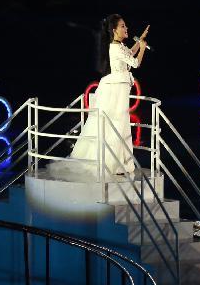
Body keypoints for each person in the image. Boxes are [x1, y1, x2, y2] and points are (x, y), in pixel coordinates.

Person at [51, 15, 148, 178]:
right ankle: (112, 162)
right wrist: (143, 48)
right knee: (116, 123)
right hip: (116, 89)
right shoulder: (114, 48)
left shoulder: (120, 46)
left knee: (121, 123)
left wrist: (140, 41)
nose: (126, 29)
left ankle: (120, 161)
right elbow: (135, 63)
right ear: (114, 30)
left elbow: (130, 53)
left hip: (120, 89)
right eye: (123, 26)